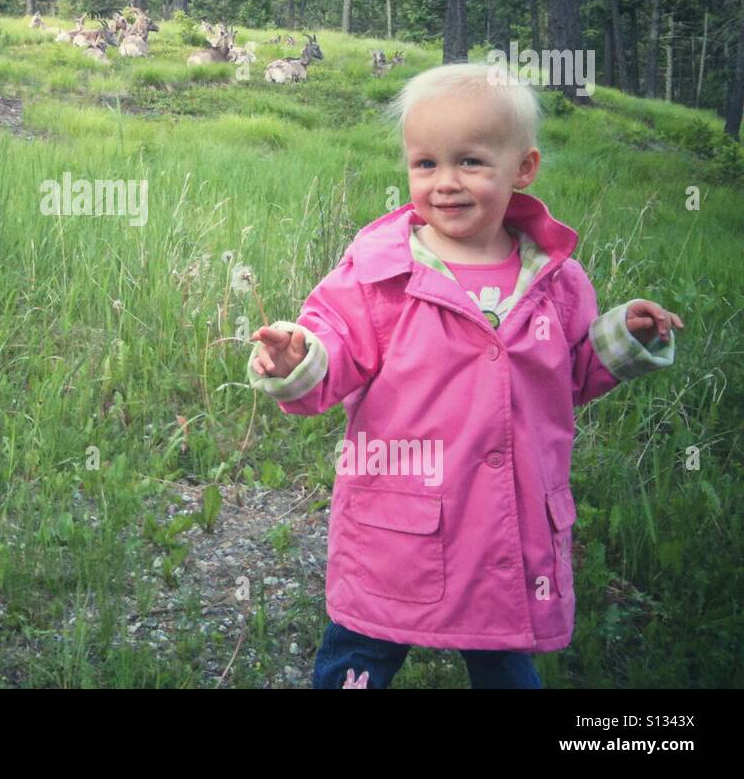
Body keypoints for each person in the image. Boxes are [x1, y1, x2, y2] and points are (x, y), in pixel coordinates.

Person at [247, 63, 683, 688]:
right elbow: (334, 350)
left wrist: (624, 338)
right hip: (401, 527)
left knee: (504, 656)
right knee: (361, 653)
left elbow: (570, 378)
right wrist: (299, 358)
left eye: (471, 162)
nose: (445, 183)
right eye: (426, 164)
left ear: (522, 169)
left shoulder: (555, 280)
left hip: (507, 532)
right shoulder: (380, 273)